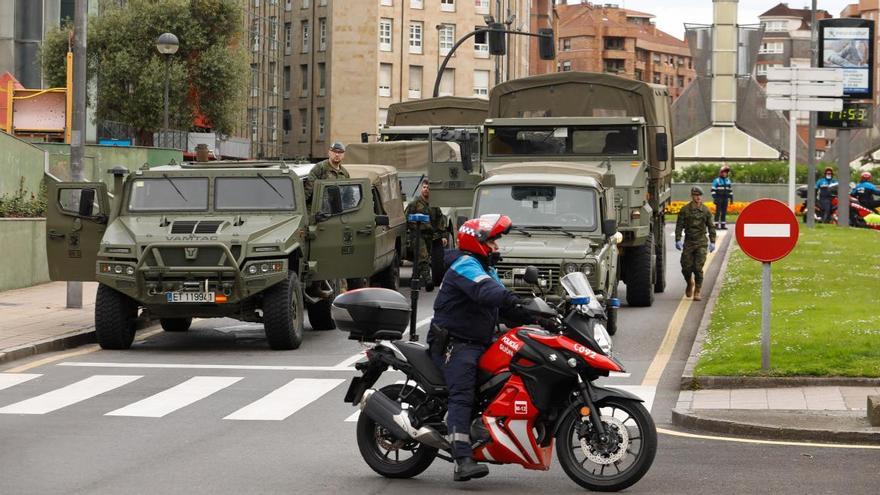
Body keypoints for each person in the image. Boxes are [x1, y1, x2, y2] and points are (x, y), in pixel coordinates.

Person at [427, 214, 530, 482]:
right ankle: (462, 458)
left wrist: (540, 315)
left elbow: (501, 309)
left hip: (479, 340)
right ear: (479, 243)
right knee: (463, 393)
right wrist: (513, 300)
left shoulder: (485, 267)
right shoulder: (465, 265)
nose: (497, 247)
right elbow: (488, 294)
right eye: (493, 241)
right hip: (455, 343)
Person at [404, 179, 448, 292]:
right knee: (423, 257)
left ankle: (414, 280)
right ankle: (428, 281)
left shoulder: (434, 205)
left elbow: (440, 220)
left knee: (422, 257)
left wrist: (443, 235)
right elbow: (406, 218)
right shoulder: (414, 204)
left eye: (428, 188)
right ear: (421, 189)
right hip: (417, 235)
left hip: (430, 236)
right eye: (424, 187)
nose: (426, 190)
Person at [674, 186, 716, 301]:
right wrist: (678, 239)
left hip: (701, 242)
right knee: (686, 267)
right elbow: (679, 226)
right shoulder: (685, 210)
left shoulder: (706, 210)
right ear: (692, 196)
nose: (697, 197)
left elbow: (711, 227)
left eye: (699, 195)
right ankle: (689, 283)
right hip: (689, 242)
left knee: (698, 268)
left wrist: (713, 241)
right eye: (695, 195)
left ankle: (697, 290)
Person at [304, 141, 349, 207]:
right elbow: (308, 193)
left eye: (340, 152)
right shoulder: (320, 168)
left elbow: (348, 195)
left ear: (343, 155)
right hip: (319, 212)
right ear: (329, 153)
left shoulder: (344, 173)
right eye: (334, 152)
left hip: (337, 210)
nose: (337, 154)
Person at [711, 165, 733, 230]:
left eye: (726, 172)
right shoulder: (717, 180)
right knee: (718, 212)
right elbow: (712, 190)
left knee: (724, 212)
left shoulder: (728, 180)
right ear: (721, 172)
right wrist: (715, 198)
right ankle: (716, 225)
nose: (725, 173)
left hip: (725, 198)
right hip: (719, 198)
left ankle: (723, 225)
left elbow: (730, 190)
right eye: (724, 172)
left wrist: (731, 198)